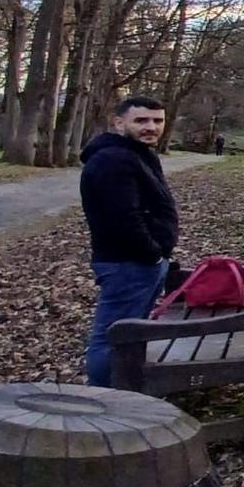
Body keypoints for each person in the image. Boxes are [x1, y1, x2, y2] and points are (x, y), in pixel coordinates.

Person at [79, 95, 179, 386]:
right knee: (114, 335)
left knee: (130, 332)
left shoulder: (137, 153)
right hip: (128, 263)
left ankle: (122, 389)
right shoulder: (113, 159)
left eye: (157, 120)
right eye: (141, 120)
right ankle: (104, 397)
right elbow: (122, 218)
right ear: (119, 123)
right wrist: (152, 253)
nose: (151, 127)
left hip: (142, 262)